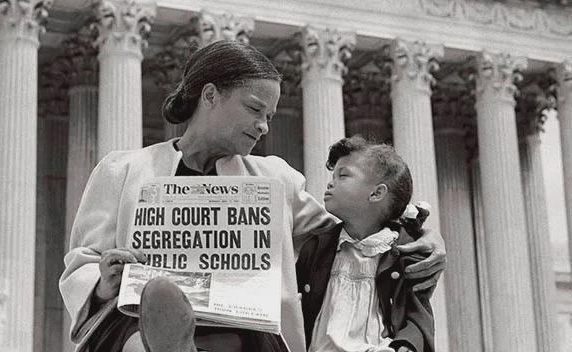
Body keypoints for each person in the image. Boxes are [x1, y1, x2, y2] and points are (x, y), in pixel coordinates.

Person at [59, 40, 446, 352]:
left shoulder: (275, 178)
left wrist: (417, 232)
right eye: (254, 109)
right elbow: (81, 263)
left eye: (270, 117)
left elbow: (354, 229)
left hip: (247, 331)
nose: (262, 126)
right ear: (210, 95)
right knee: (139, 337)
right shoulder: (122, 170)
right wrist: (104, 281)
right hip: (142, 321)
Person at [296, 136, 434, 352]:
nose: (330, 182)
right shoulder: (316, 248)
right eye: (333, 175)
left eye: (343, 175)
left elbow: (417, 314)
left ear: (377, 193)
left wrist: (408, 346)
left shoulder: (403, 252)